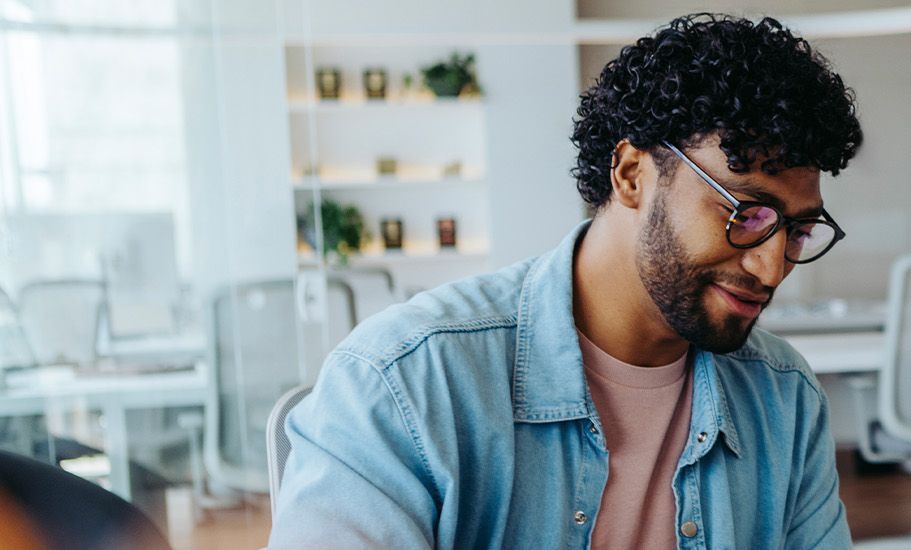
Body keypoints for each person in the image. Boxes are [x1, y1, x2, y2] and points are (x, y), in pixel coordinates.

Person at [267, 13, 863, 549]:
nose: (771, 266)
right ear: (632, 174)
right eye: (746, 215)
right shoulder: (405, 383)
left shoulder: (782, 397)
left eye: (797, 230)